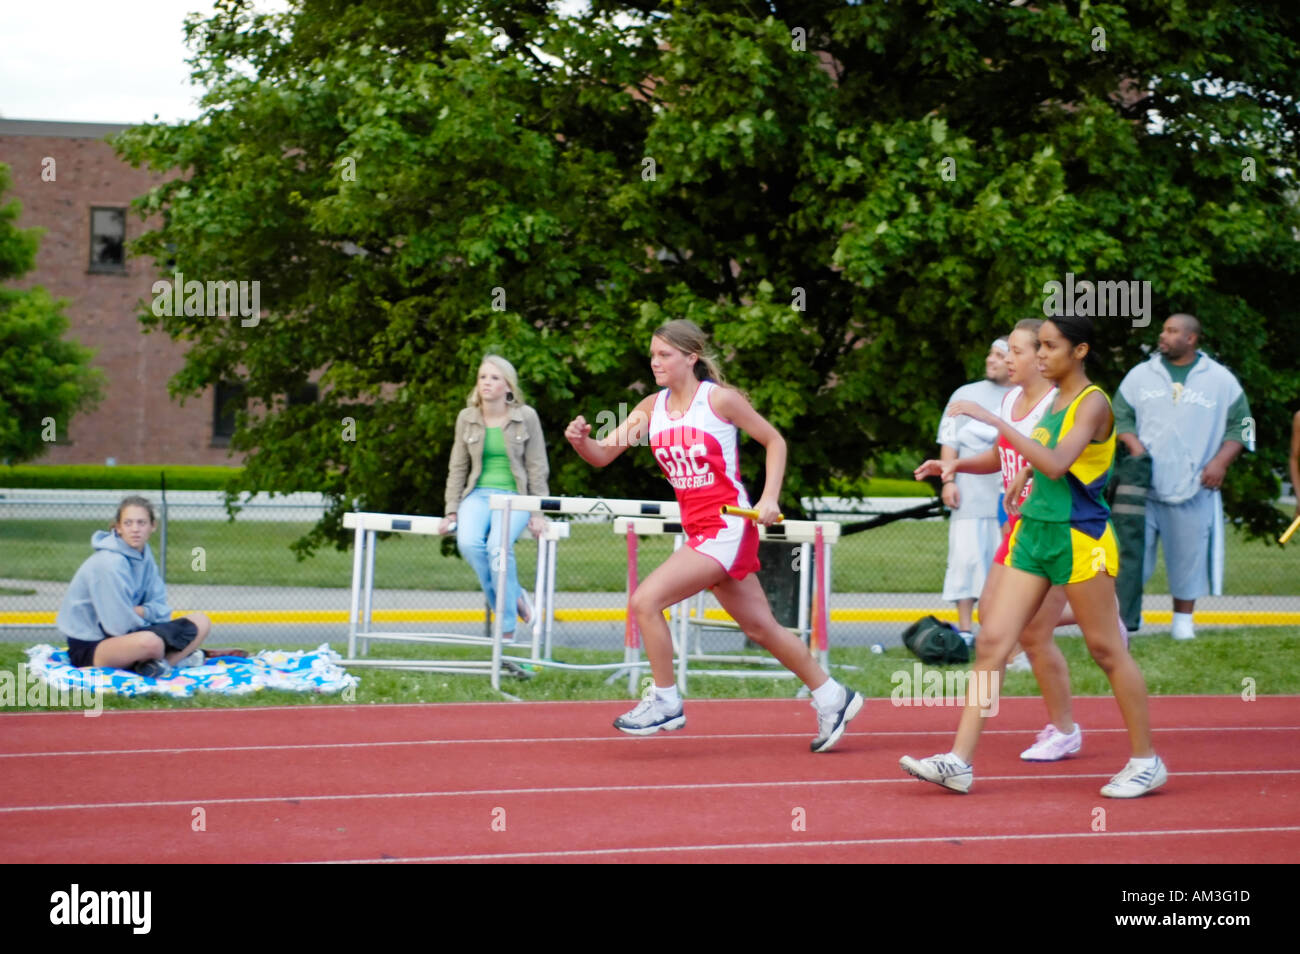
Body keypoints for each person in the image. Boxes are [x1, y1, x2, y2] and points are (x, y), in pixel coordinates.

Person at [564, 319, 862, 751]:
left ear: (691, 357)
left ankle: (666, 701)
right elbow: (603, 454)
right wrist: (580, 442)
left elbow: (774, 441)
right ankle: (833, 696)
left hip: (728, 525)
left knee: (645, 601)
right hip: (700, 530)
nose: (655, 362)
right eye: (652, 355)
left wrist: (770, 497)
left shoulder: (719, 400)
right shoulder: (651, 408)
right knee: (762, 628)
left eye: (665, 354)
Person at [900, 315, 1166, 797]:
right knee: (992, 644)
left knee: (1106, 651)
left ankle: (1147, 761)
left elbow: (1058, 461)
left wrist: (998, 425)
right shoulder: (1053, 402)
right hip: (1033, 537)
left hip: (1078, 538)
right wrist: (991, 471)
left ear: (1079, 351)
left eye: (1049, 346)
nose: (1040, 355)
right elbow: (1033, 459)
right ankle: (959, 761)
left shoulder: (1093, 402)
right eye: (1037, 346)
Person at [1114, 314, 1253, 640]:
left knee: (1188, 557)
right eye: (1164, 330)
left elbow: (1242, 426)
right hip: (1143, 486)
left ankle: (1182, 624)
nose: (1163, 335)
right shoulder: (1141, 374)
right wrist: (1134, 446)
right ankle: (1126, 622)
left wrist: (1221, 461)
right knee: (1131, 558)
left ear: (1190, 339)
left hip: (1194, 485)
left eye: (1172, 331)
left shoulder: (1221, 380)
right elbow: (1119, 414)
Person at [439, 355, 550, 643]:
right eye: (483, 377)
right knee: (468, 543)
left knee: (498, 548)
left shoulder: (526, 416)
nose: (487, 382)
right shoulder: (467, 418)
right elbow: (458, 467)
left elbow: (537, 467)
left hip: (515, 497)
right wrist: (451, 511)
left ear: (507, 385)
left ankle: (507, 631)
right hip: (477, 496)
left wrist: (537, 512)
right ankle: (515, 598)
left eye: (494, 377)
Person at [56, 496, 211, 679]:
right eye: (128, 523)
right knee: (151, 643)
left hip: (131, 632)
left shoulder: (144, 555)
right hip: (92, 645)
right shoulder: (110, 563)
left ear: (153, 526)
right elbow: (117, 626)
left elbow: (161, 607)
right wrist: (156, 627)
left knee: (201, 621)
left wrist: (139, 611)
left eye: (141, 522)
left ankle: (157, 665)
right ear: (118, 527)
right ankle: (169, 660)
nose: (135, 529)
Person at [936, 338, 1013, 644]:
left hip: (1007, 501)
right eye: (990, 353)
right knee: (966, 561)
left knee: (1006, 568)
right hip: (968, 496)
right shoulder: (965, 395)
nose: (991, 359)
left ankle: (1001, 633)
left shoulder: (1023, 397)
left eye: (1000, 355)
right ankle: (966, 633)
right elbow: (949, 441)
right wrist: (948, 481)